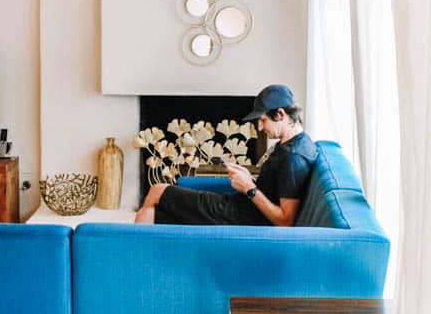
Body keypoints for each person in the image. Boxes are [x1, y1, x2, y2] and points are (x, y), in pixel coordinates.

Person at [135, 84, 317, 227]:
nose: (260, 128)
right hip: (239, 207)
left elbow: (284, 222)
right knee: (146, 215)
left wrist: (248, 187)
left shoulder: (294, 157)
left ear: (280, 114)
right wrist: (247, 179)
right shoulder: (297, 143)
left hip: (239, 217)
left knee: (158, 189)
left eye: (263, 120)